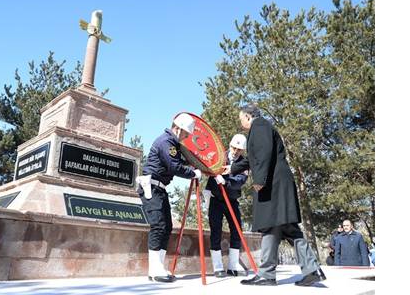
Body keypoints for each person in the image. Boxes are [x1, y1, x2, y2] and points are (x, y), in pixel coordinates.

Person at [223, 104, 326, 286]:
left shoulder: (260, 126)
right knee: (283, 226)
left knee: (273, 224)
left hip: (273, 185)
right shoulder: (262, 128)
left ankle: (268, 274)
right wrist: (231, 168)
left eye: (241, 119)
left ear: (248, 117)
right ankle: (311, 269)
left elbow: (263, 154)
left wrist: (259, 180)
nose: (240, 123)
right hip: (278, 184)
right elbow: (253, 159)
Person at [136, 113, 202, 283]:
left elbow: (178, 162)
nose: (187, 136)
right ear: (178, 128)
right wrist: (193, 173)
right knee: (158, 225)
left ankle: (158, 266)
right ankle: (154, 269)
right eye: (186, 133)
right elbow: (174, 166)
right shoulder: (166, 142)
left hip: (160, 188)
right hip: (151, 186)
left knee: (166, 226)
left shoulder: (173, 144)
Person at [203, 134, 249, 278]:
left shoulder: (243, 163)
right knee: (215, 230)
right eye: (234, 148)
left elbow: (241, 180)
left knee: (237, 230)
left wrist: (226, 182)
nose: (236, 151)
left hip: (231, 199)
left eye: (239, 149)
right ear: (230, 145)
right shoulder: (219, 156)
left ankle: (233, 265)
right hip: (216, 199)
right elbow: (206, 164)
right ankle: (217, 267)